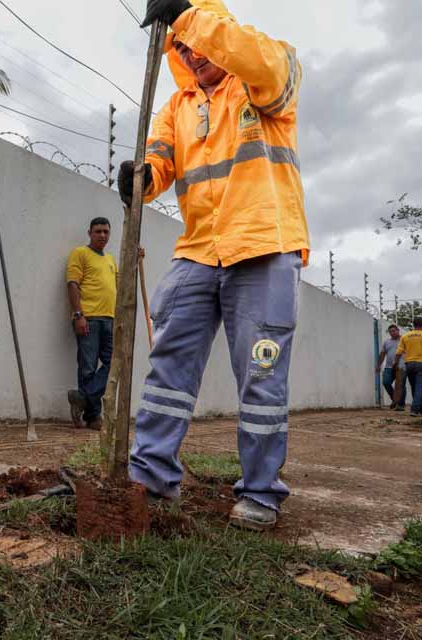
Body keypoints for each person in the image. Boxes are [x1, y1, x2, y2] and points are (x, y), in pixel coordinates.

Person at [120, 0, 307, 531]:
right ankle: (151, 475)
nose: (187, 50)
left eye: (192, 37)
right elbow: (159, 159)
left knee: (261, 376)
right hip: (199, 250)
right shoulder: (176, 105)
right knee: (168, 366)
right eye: (177, 45)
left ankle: (261, 492)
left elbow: (264, 64)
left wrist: (188, 18)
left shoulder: (264, 74)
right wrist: (140, 177)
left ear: (209, 22)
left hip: (264, 245)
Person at [66, 217, 118, 430]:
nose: (102, 235)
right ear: (89, 233)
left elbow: (119, 285)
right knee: (87, 368)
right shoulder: (80, 253)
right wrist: (79, 315)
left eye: (106, 231)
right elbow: (72, 283)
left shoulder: (111, 260)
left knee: (113, 364)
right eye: (98, 231)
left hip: (110, 319)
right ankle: (93, 416)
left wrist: (136, 259)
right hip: (88, 318)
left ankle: (82, 398)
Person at [376, 325, 406, 411]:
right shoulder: (387, 342)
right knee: (386, 382)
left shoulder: (404, 340)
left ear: (398, 330)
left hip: (401, 367)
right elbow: (382, 354)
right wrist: (378, 365)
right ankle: (395, 399)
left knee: (401, 386)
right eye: (390, 332)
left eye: (394, 331)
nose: (392, 333)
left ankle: (401, 405)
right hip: (389, 367)